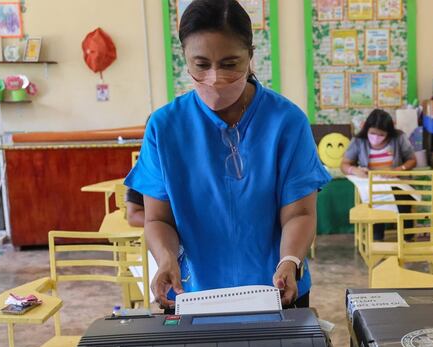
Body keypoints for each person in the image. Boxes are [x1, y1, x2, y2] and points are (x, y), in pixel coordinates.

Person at [125, 0, 330, 310]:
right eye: (201, 64)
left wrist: (289, 261)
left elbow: (299, 213)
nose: (215, 78)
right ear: (185, 59)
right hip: (195, 293)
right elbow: (157, 218)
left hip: (277, 290)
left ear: (250, 57)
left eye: (230, 63)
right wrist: (166, 259)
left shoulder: (286, 122)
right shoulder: (165, 127)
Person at [340, 109, 417, 241]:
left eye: (381, 135)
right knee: (375, 200)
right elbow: (344, 164)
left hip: (396, 181)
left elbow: (412, 160)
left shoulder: (399, 138)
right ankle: (377, 236)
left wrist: (398, 170)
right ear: (366, 129)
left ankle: (407, 237)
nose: (376, 137)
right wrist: (355, 170)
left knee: (402, 198)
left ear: (388, 133)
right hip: (371, 183)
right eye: (372, 133)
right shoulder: (359, 141)